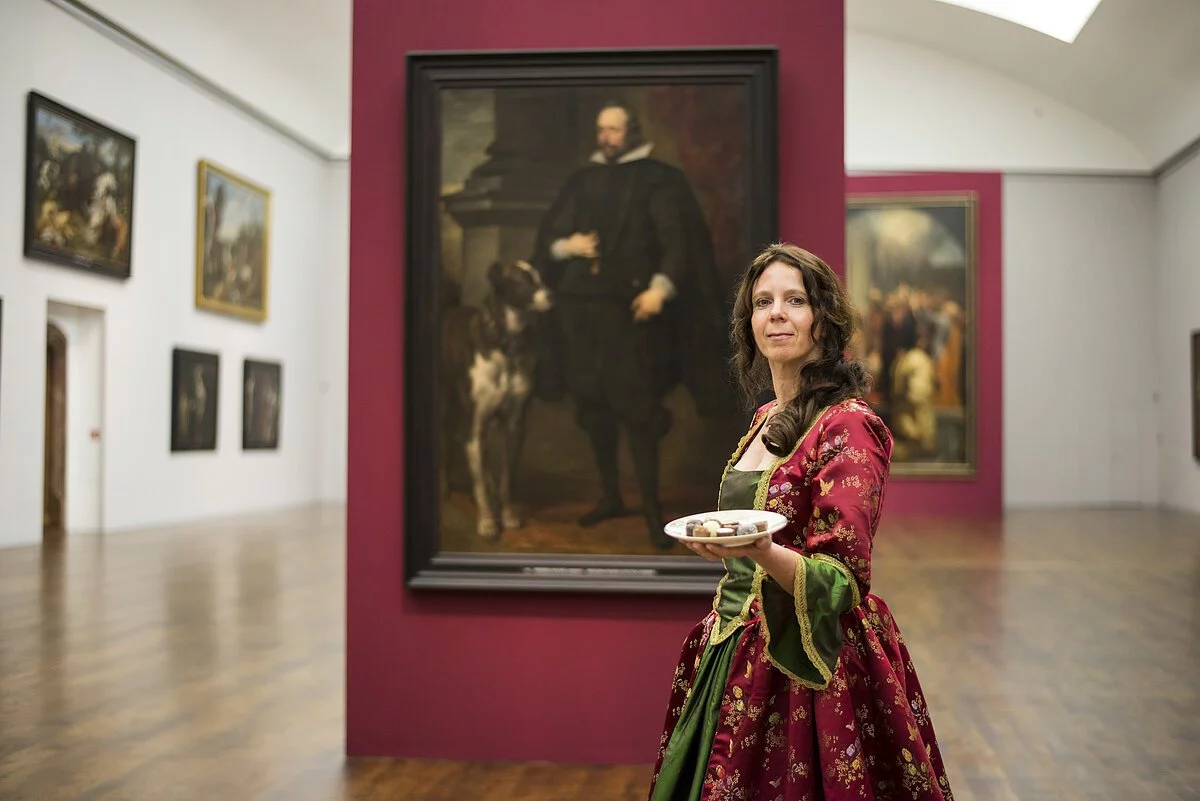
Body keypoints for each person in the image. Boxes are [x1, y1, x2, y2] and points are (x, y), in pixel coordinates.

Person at [646, 243, 955, 800]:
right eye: (763, 302)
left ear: (824, 320)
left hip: (811, 660)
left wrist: (759, 548)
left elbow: (841, 581)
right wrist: (727, 545)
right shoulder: (766, 416)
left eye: (795, 300)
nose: (777, 314)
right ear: (750, 324)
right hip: (731, 644)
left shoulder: (850, 426)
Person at [530, 100, 731, 548]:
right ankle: (610, 496)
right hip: (582, 313)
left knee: (637, 412)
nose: (606, 137)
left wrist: (659, 289)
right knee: (594, 409)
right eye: (601, 129)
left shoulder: (659, 180)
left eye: (614, 130)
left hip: (632, 319)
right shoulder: (581, 181)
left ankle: (653, 509)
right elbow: (547, 241)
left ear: (632, 131)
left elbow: (678, 244)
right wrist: (568, 245)